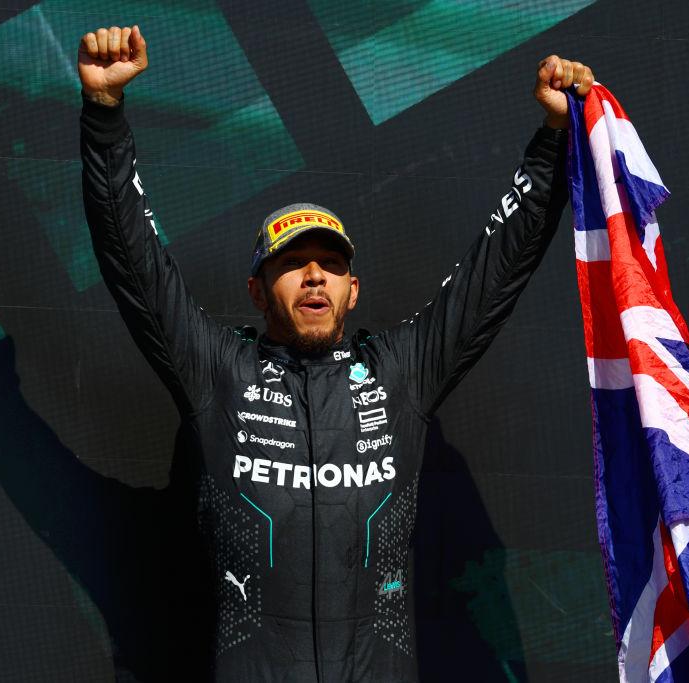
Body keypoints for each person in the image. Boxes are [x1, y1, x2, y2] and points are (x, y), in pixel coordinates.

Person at [79, 24, 593, 682]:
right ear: (258, 290)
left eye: (331, 263)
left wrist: (553, 142)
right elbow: (135, 263)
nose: (315, 275)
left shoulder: (400, 373)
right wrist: (104, 116)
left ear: (353, 291)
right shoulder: (218, 372)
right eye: (293, 263)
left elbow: (493, 275)